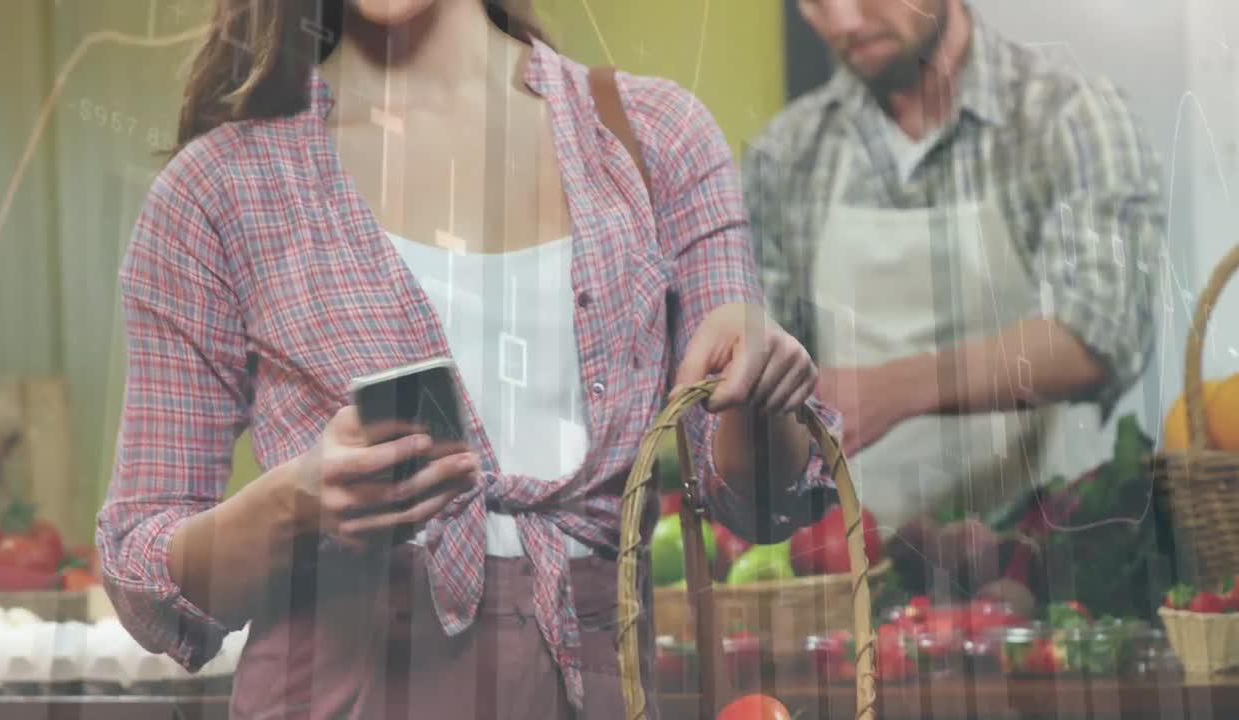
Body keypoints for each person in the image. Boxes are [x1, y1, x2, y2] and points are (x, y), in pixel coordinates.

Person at [98, 1, 841, 718]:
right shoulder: (216, 190)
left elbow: (762, 501)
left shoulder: (657, 138)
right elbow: (144, 582)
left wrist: (758, 384)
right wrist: (294, 505)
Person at [743, 0, 1165, 534]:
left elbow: (1100, 332)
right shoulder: (787, 154)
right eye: (818, 2)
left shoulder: (1070, 116)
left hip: (1049, 556)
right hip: (865, 569)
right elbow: (770, 373)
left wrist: (891, 391)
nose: (845, 20)